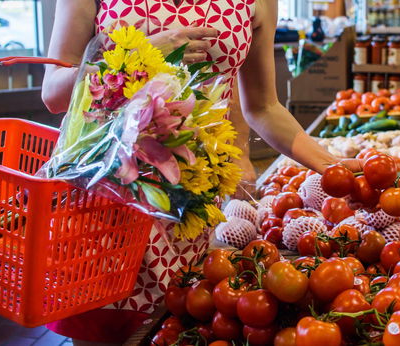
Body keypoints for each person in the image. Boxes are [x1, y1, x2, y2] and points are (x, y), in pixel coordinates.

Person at [41, 0, 358, 344]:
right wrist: (143, 54)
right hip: (101, 196)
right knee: (101, 332)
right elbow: (54, 92)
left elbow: (264, 106)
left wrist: (329, 165)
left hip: (189, 202)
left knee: (176, 328)